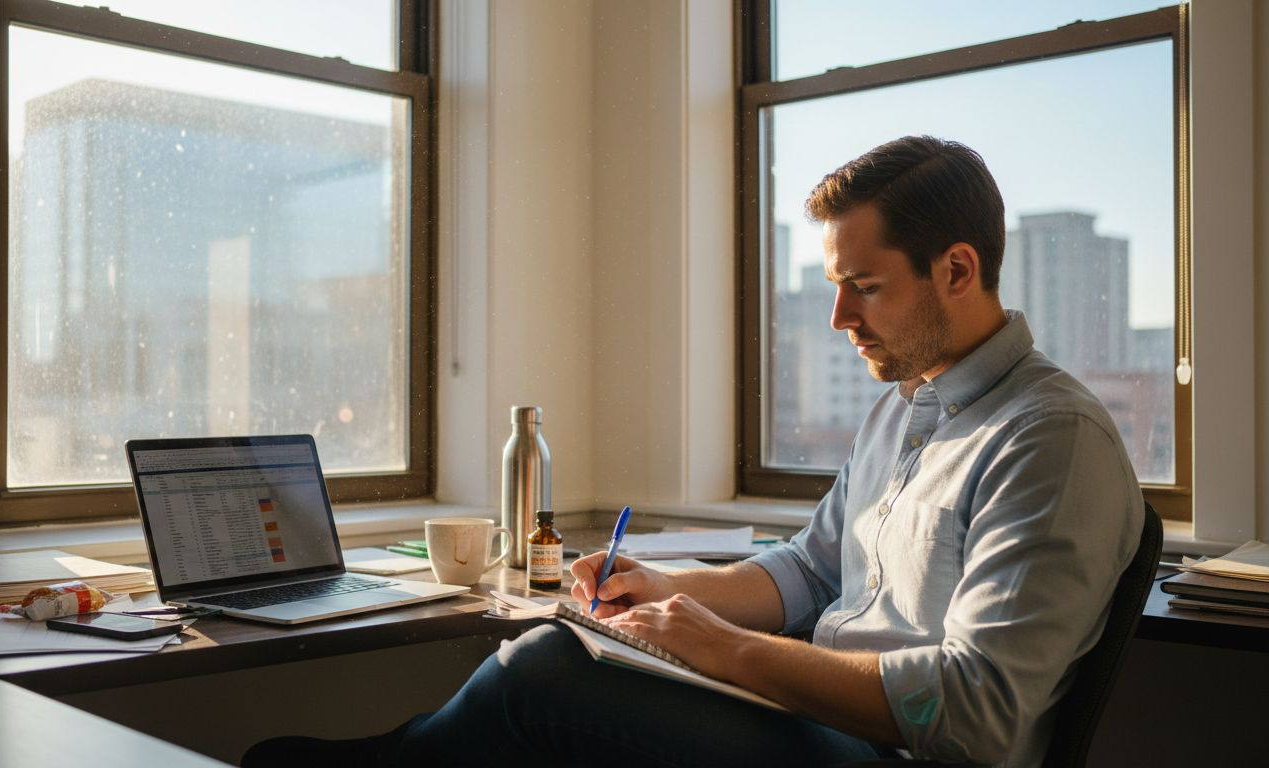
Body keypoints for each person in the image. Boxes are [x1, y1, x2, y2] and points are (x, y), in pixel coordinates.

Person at [241, 136, 1143, 767]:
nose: (839, 318)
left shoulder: (1049, 440)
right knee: (565, 647)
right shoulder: (903, 407)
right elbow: (810, 570)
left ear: (957, 269)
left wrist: (727, 650)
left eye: (864, 287)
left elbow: (977, 711)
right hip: (822, 725)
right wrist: (671, 592)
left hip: (897, 754)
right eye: (837, 287)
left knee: (545, 675)